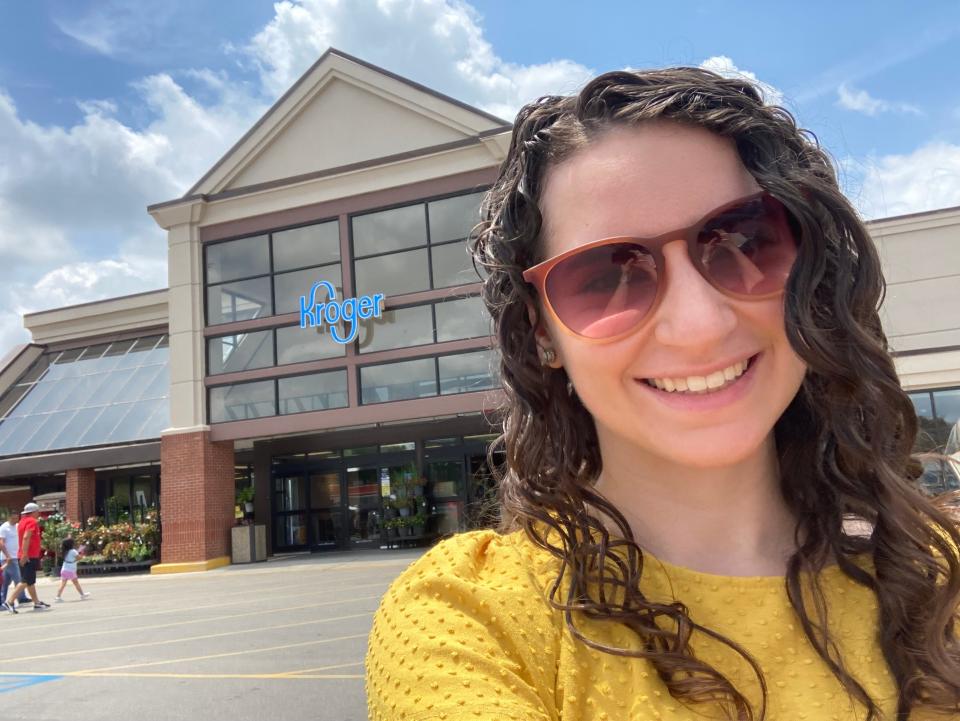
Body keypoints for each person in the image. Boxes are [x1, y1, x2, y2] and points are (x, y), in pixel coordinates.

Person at [366, 68, 960, 721]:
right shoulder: (469, 616)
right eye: (603, 276)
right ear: (542, 334)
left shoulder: (940, 574)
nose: (700, 324)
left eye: (745, 240)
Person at [5, 502, 51, 613]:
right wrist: (25, 554)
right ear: (34, 512)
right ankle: (10, 601)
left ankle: (36, 603)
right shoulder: (32, 521)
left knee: (30, 581)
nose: (38, 513)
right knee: (26, 580)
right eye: (37, 511)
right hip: (29, 555)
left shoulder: (21, 522)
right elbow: (26, 537)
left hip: (23, 554)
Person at [0, 510, 31, 610]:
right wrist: (7, 556)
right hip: (9, 558)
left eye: (16, 518)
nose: (15, 520)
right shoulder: (4, 527)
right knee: (18, 578)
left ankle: (3, 600)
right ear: (8, 518)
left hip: (16, 556)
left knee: (6, 581)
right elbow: (1, 543)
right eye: (13, 518)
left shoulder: (17, 526)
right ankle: (21, 597)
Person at [54, 538, 89, 602]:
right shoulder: (73, 551)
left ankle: (57, 597)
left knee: (63, 584)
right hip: (71, 570)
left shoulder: (64, 551)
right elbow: (79, 558)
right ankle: (82, 595)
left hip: (64, 569)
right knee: (76, 583)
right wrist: (81, 552)